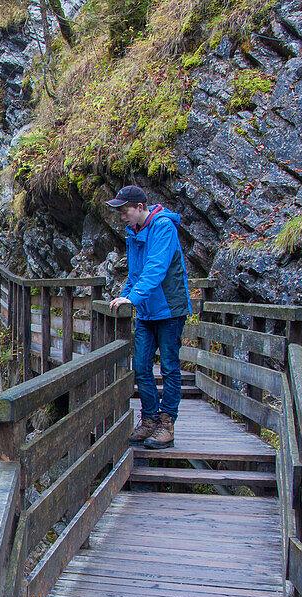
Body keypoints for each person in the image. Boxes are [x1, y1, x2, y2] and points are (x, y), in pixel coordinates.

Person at [107, 185, 190, 450]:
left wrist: (134, 297)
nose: (122, 217)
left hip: (169, 309)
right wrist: (125, 296)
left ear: (139, 207)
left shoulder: (163, 227)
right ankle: (150, 419)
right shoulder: (133, 234)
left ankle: (167, 423)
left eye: (124, 211)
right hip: (146, 312)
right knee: (141, 367)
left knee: (168, 366)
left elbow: (157, 265)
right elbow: (134, 274)